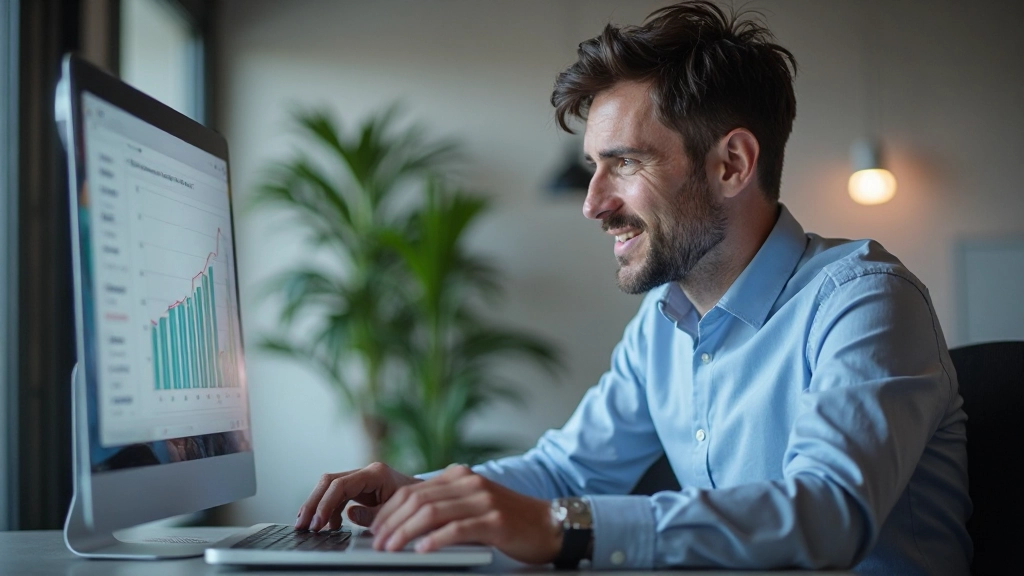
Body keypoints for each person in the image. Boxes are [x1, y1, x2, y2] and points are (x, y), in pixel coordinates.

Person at [294, 2, 972, 573]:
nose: (592, 204)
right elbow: (564, 475)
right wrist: (430, 494)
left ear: (732, 163)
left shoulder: (864, 301)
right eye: (593, 168)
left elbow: (826, 515)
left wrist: (565, 528)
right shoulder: (663, 322)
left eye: (622, 164)